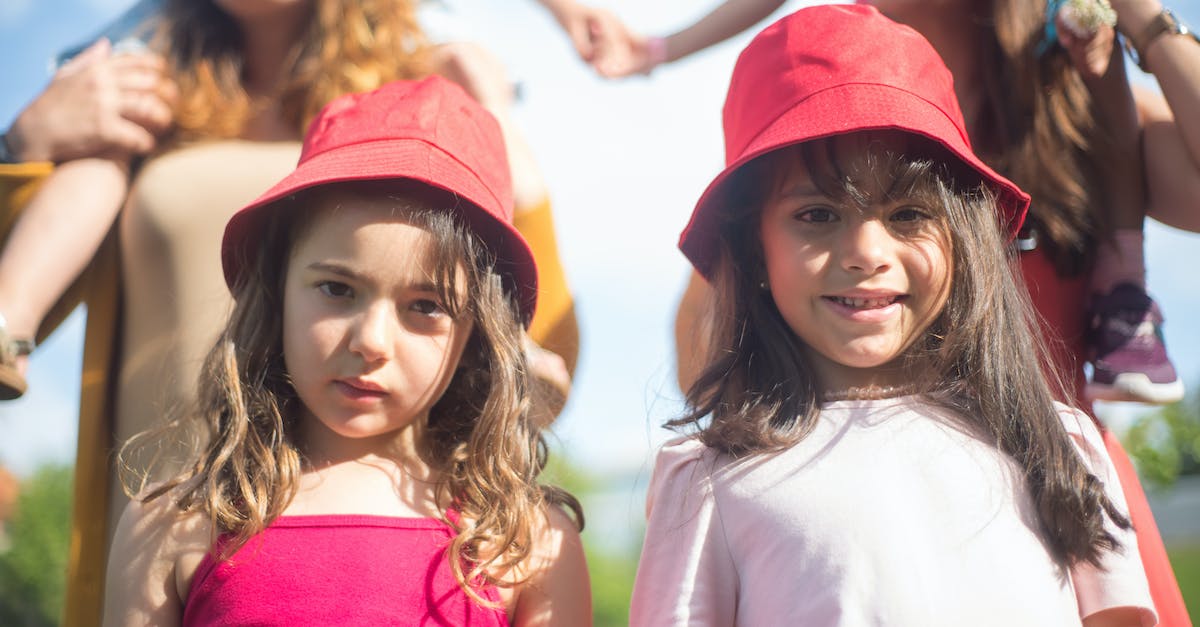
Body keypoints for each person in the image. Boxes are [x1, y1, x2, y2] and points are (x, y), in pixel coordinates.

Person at [630, 6, 1155, 625]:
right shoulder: (706, 483)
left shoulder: (1062, 449)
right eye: (818, 215)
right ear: (753, 247)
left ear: (965, 238)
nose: (867, 254)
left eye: (908, 214)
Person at [102, 76, 591, 625]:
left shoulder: (526, 544)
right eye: (337, 289)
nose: (371, 342)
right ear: (276, 288)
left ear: (478, 331)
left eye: (426, 306)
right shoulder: (174, 524)